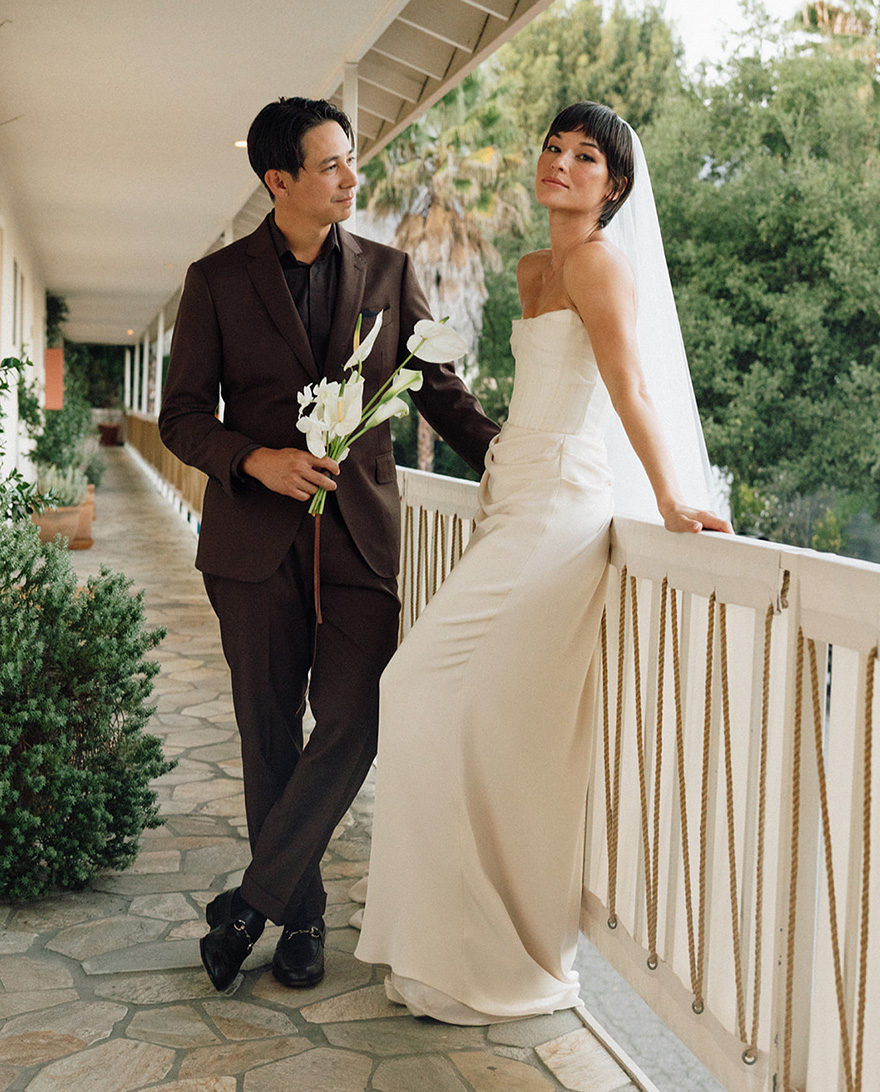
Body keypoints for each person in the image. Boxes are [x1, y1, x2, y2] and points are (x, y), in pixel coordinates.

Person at [354, 101, 733, 1024]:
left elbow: (630, 389)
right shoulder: (532, 268)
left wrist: (674, 495)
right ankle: (446, 950)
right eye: (554, 149)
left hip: (562, 506)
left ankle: (494, 951)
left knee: (413, 688)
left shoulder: (601, 265)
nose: (561, 163)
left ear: (615, 186)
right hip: (510, 490)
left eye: (586, 157)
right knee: (473, 719)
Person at [159, 97, 498, 994]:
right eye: (333, 165)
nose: (353, 177)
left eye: (351, 161)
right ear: (280, 181)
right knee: (270, 735)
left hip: (359, 543)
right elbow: (183, 418)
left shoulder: (388, 270)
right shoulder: (217, 281)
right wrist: (254, 459)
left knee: (356, 715)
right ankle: (300, 919)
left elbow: (438, 392)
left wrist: (517, 460)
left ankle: (248, 906)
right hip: (251, 548)